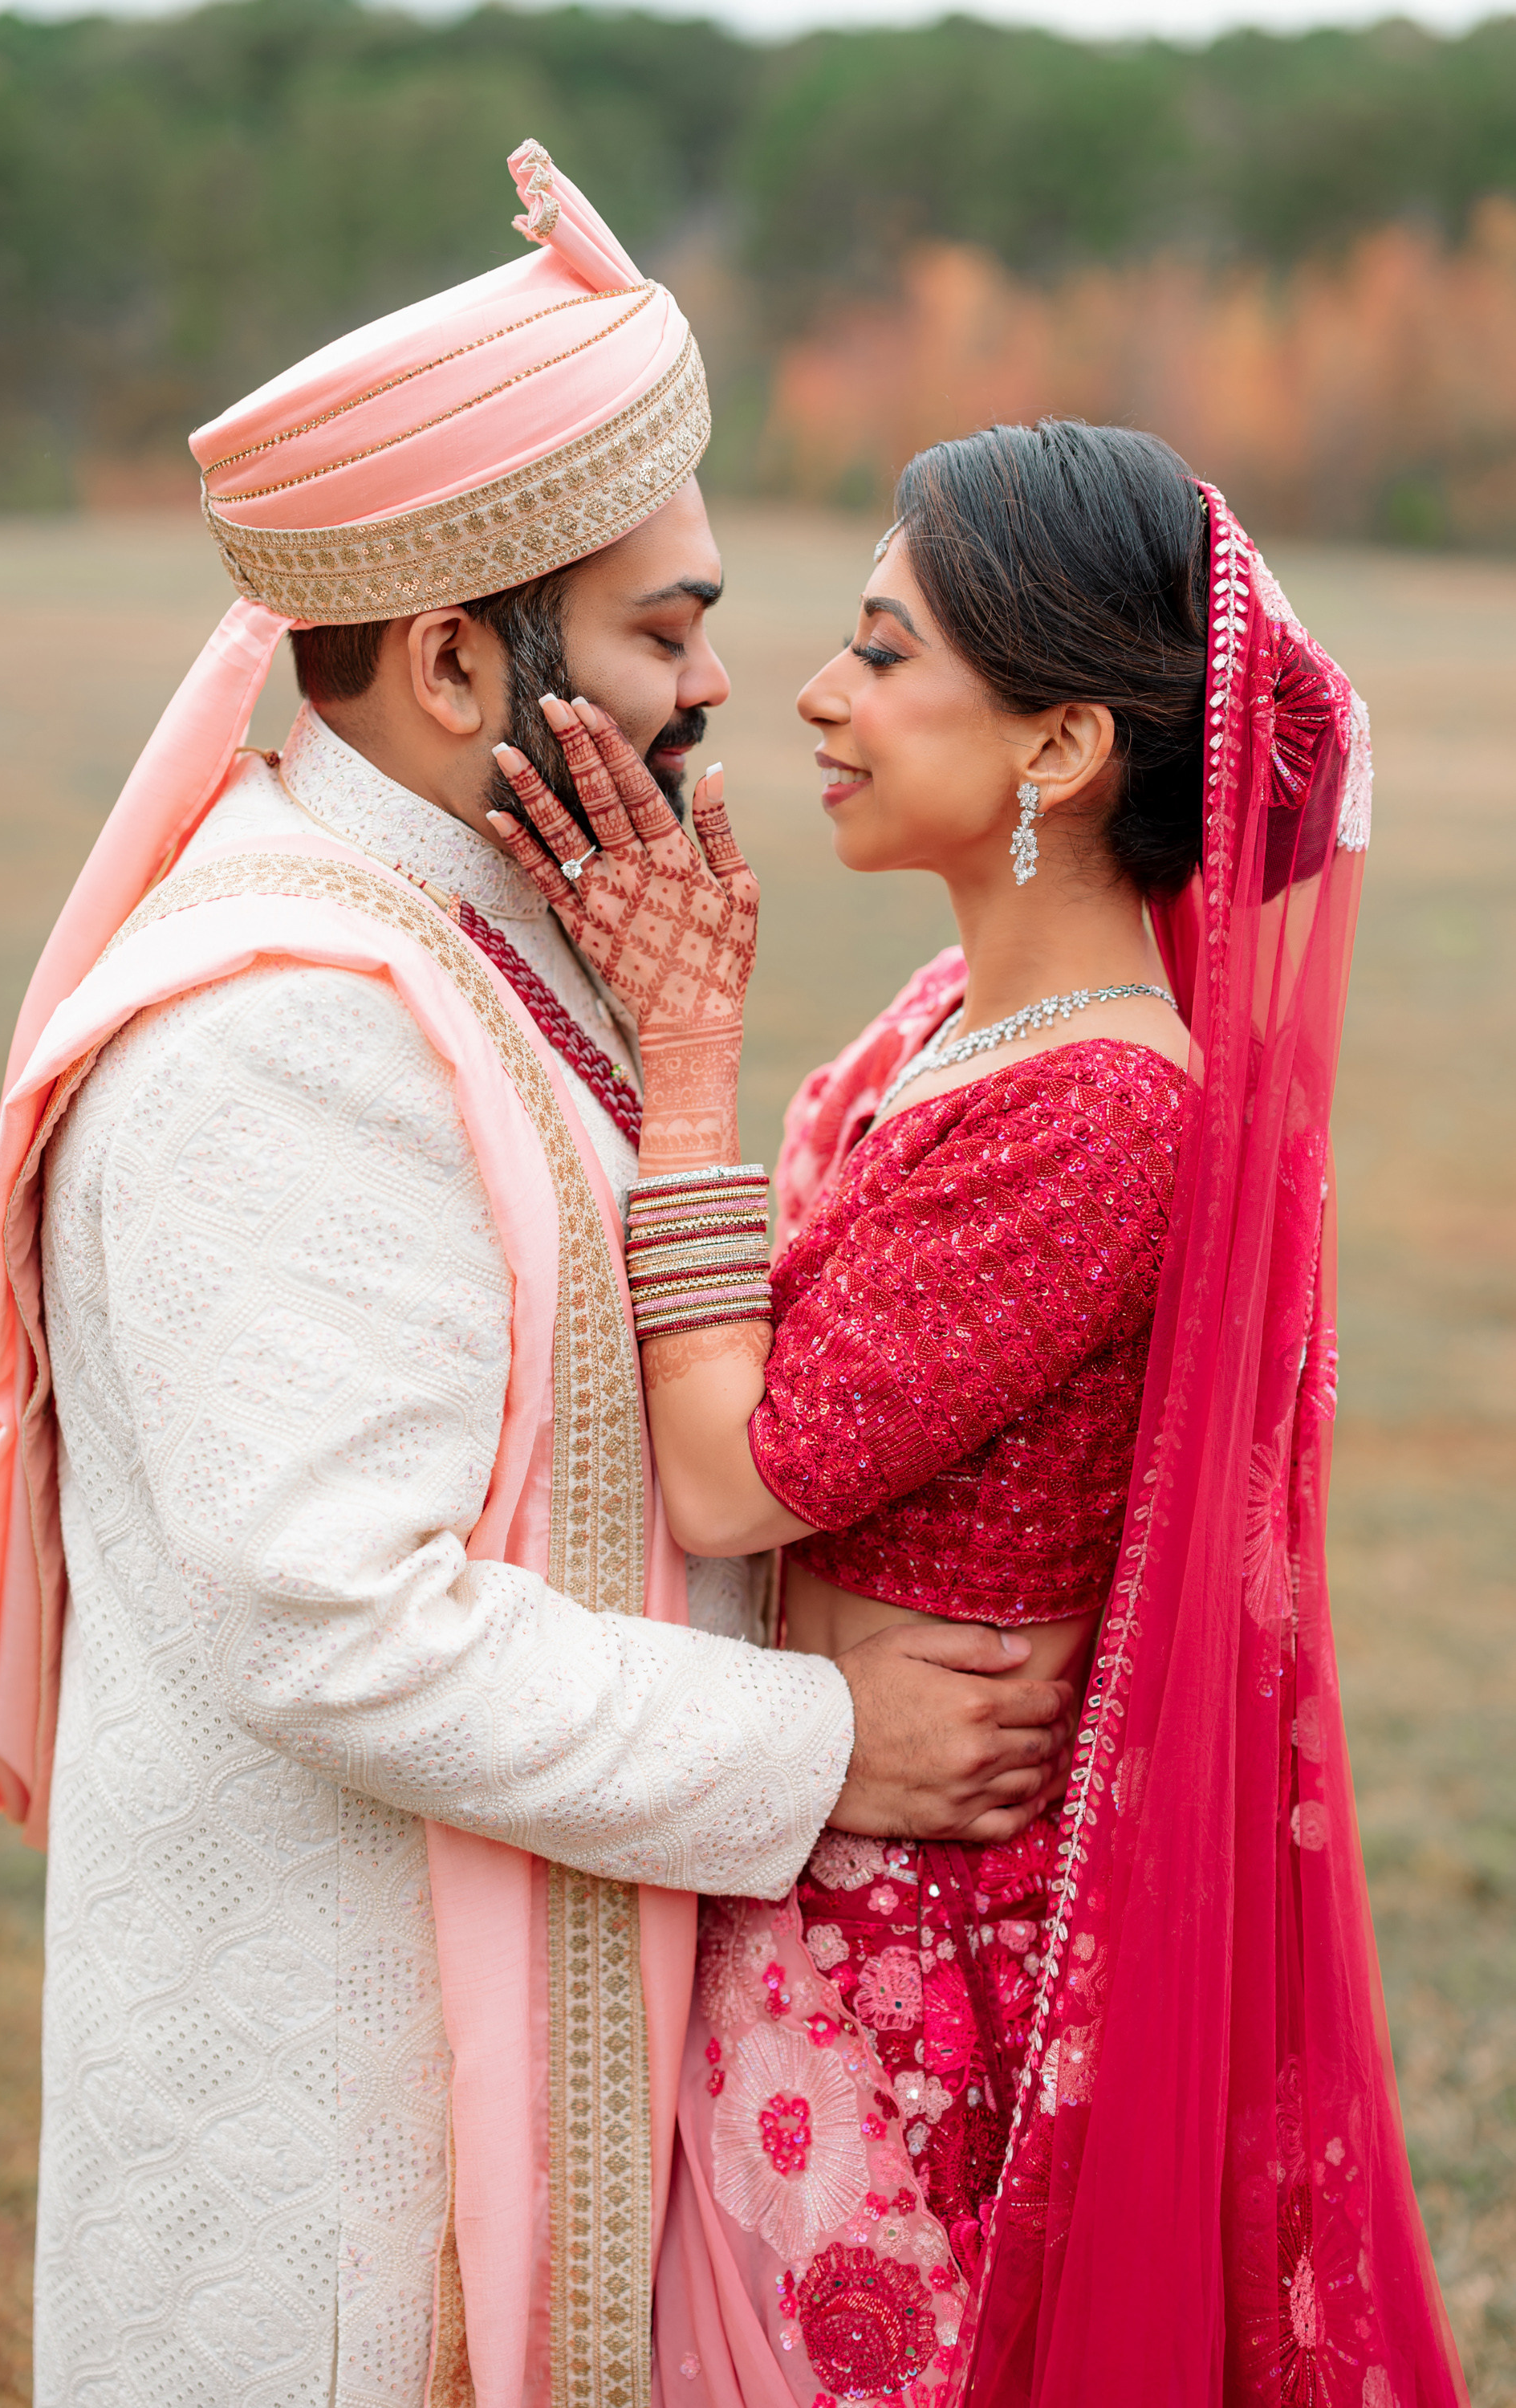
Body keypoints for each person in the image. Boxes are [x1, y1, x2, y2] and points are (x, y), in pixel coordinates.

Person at [0, 153, 1073, 2408]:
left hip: (523, 2033)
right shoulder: (284, 1026)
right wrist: (825, 1741)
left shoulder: (466, 937)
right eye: (663, 628)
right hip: (346, 2154)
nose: (719, 685)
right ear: (452, 657)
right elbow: (333, 1620)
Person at [489, 421, 1468, 2405]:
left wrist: (684, 1061)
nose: (815, 696)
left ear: (1054, 750)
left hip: (916, 1981)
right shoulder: (950, 1027)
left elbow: (733, 1469)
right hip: (821, 1849)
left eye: (881, 650)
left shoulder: (1100, 1108)